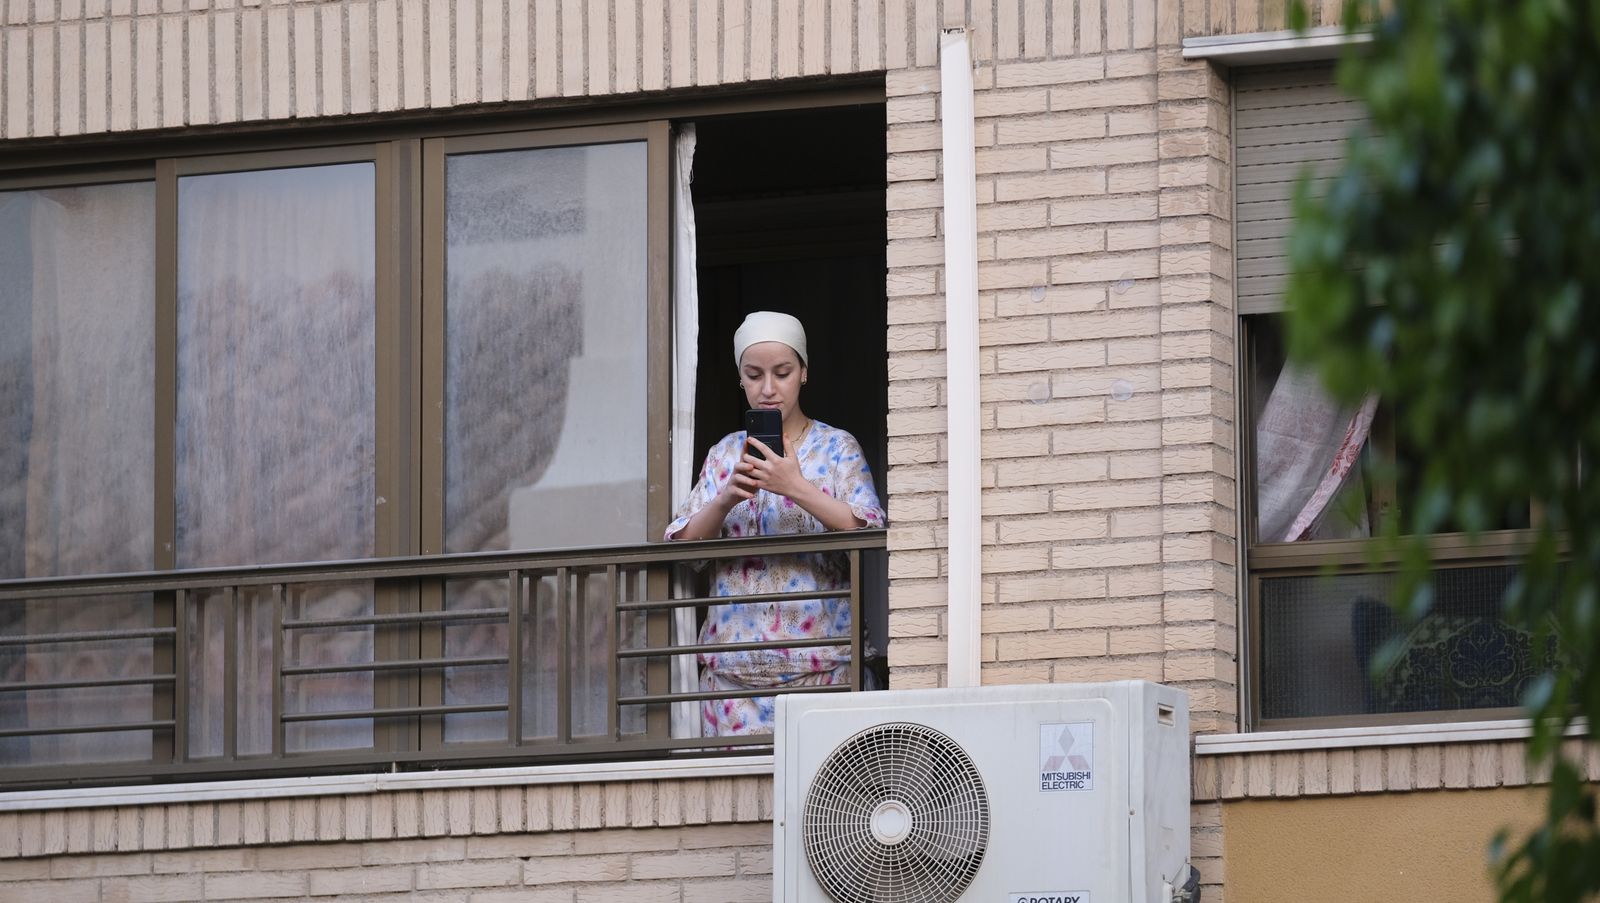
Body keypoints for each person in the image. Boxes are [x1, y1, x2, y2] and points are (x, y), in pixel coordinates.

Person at [666, 311, 885, 736]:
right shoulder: (725, 453)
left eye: (782, 373)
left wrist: (796, 486)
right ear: (740, 380)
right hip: (732, 687)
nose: (768, 389)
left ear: (803, 373)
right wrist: (727, 497)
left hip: (823, 675)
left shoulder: (837, 447)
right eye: (754, 375)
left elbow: (868, 529)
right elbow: (683, 543)